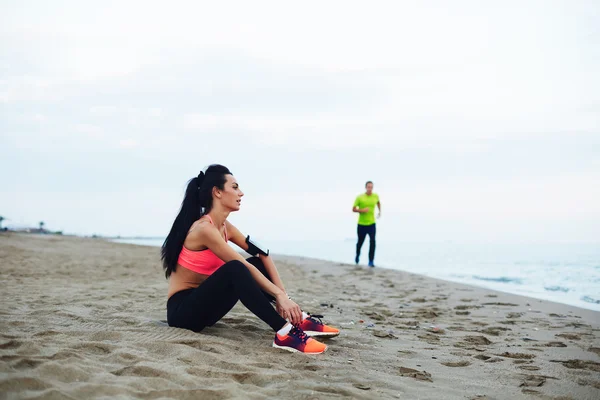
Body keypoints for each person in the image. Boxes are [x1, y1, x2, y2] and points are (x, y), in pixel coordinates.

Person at [161, 164, 339, 354]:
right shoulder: (204, 229)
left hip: (207, 307)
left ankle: (298, 320)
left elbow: (262, 253)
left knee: (256, 263)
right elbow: (242, 265)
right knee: (236, 268)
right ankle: (284, 333)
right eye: (235, 187)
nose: (242, 193)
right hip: (183, 314)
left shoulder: (225, 226)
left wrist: (285, 298)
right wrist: (278, 296)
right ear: (217, 192)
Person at [352, 181, 381, 267]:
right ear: (365, 187)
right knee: (360, 242)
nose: (370, 189)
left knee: (372, 241)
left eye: (371, 187)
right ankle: (357, 255)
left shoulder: (375, 196)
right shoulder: (360, 197)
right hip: (361, 224)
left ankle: (371, 261)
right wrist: (362, 210)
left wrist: (380, 211)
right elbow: (353, 209)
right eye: (368, 187)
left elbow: (378, 202)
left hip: (372, 224)